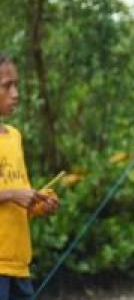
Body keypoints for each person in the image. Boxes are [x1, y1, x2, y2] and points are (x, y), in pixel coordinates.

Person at [0, 54, 59, 300]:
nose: (15, 94)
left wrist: (37, 203)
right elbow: (12, 194)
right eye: (6, 86)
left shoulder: (14, 137)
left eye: (16, 85)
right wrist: (13, 194)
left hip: (19, 265)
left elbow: (18, 198)